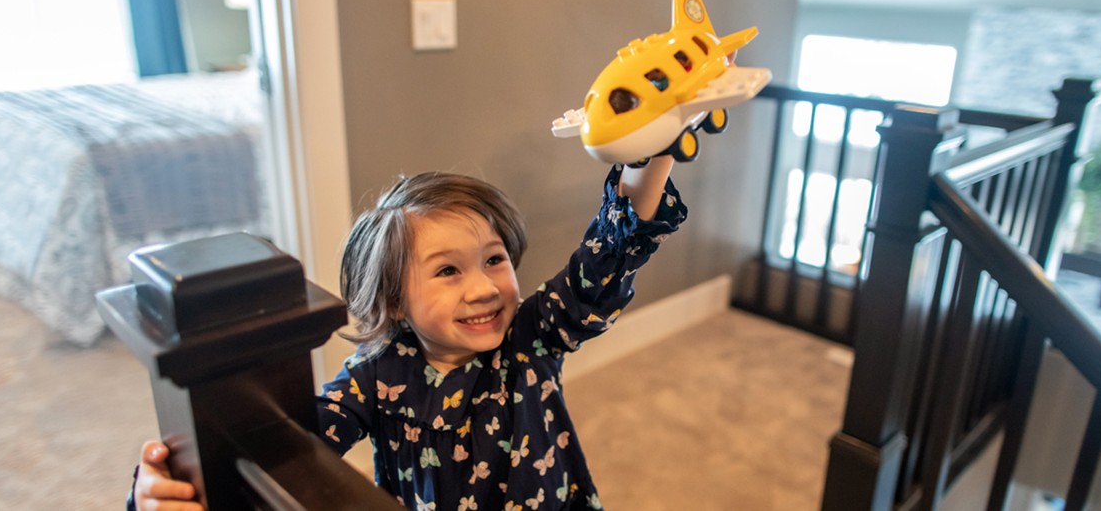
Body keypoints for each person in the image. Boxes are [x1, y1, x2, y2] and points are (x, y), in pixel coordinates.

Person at [130, 156, 686, 510]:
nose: (483, 288)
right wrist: (168, 483)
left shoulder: (531, 336)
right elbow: (287, 446)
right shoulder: (375, 379)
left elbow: (606, 263)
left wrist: (651, 155)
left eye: (494, 259)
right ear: (394, 298)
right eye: (448, 270)